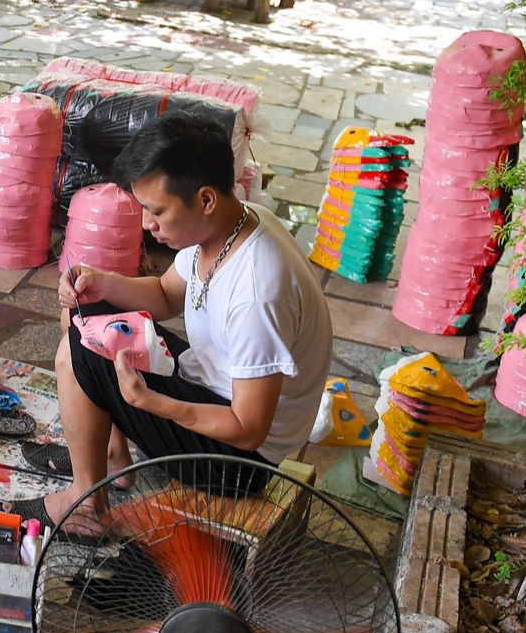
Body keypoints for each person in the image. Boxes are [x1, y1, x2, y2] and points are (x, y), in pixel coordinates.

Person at [18, 112, 332, 530]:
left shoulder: (258, 291)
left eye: (157, 211)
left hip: (238, 461)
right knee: (83, 314)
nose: (147, 224)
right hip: (212, 385)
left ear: (205, 199)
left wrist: (150, 402)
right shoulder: (227, 224)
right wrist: (101, 283)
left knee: (82, 347)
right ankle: (112, 458)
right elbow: (167, 294)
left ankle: (84, 507)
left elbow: (247, 431)